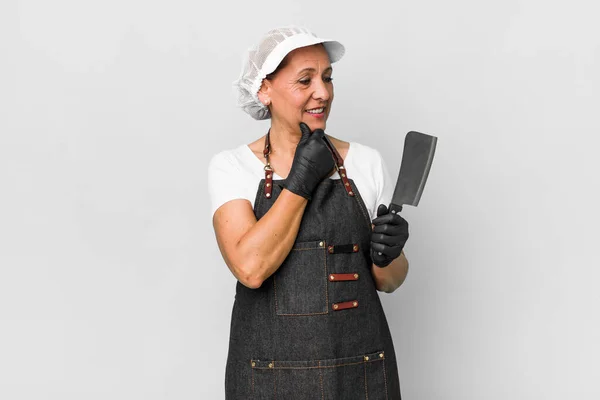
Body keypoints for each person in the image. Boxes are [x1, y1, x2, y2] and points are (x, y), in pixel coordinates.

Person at [208, 25, 410, 399]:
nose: (324, 92)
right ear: (264, 90)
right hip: (268, 378)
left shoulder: (365, 162)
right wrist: (302, 179)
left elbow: (389, 281)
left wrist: (390, 255)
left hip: (360, 374)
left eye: (328, 77)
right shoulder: (232, 167)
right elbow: (250, 268)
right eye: (305, 80)